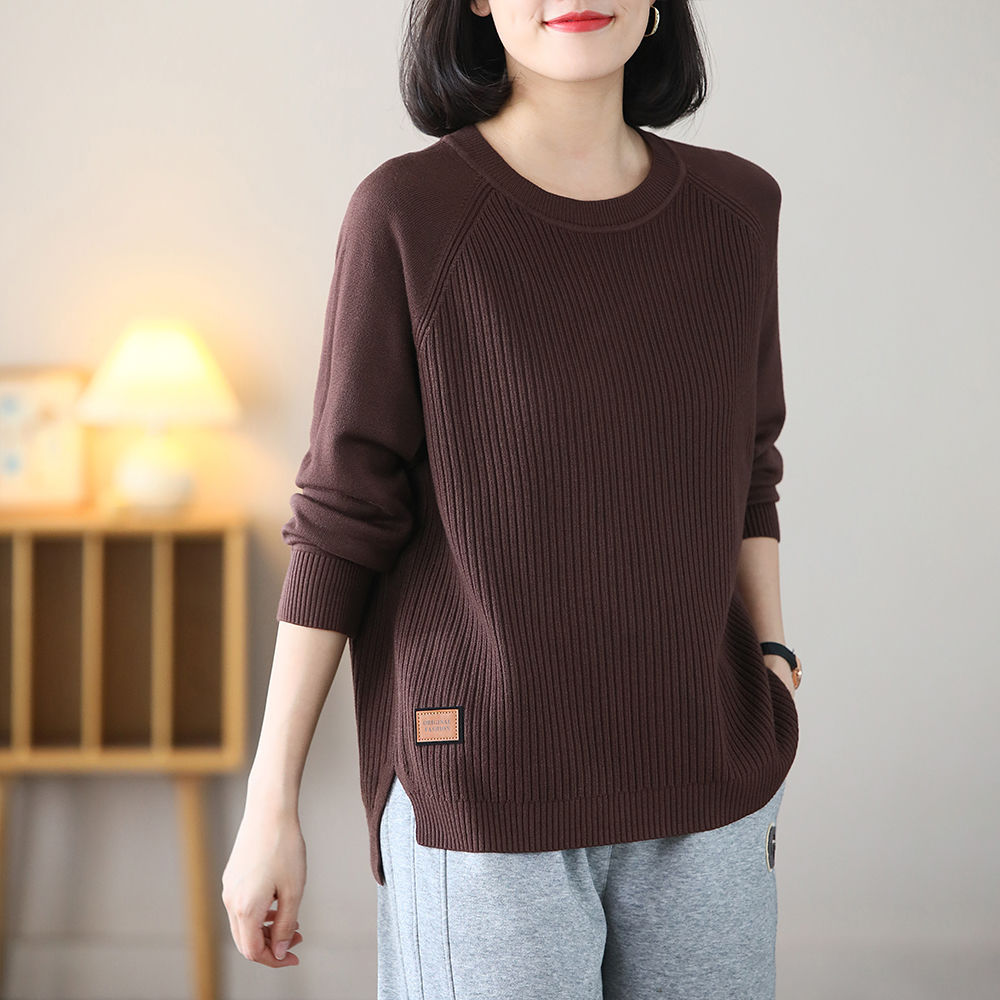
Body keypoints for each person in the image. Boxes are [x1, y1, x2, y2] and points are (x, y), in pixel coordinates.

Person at [221, 1, 804, 997]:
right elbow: (342, 516)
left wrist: (773, 658)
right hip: (483, 793)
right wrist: (270, 801)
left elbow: (748, 462)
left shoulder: (738, 209)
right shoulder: (409, 213)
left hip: (710, 778)